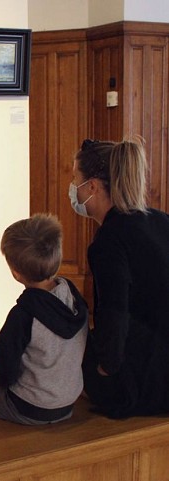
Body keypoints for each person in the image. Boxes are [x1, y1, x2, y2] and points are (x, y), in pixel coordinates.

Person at [0, 214, 88, 424]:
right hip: (67, 400)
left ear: (16, 273)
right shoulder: (72, 295)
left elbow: (6, 372)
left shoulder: (24, 314)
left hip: (33, 406)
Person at [70, 138, 169, 418]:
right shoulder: (161, 220)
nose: (73, 188)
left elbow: (114, 311)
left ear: (92, 186)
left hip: (149, 383)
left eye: (75, 179)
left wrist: (106, 368)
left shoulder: (108, 241)